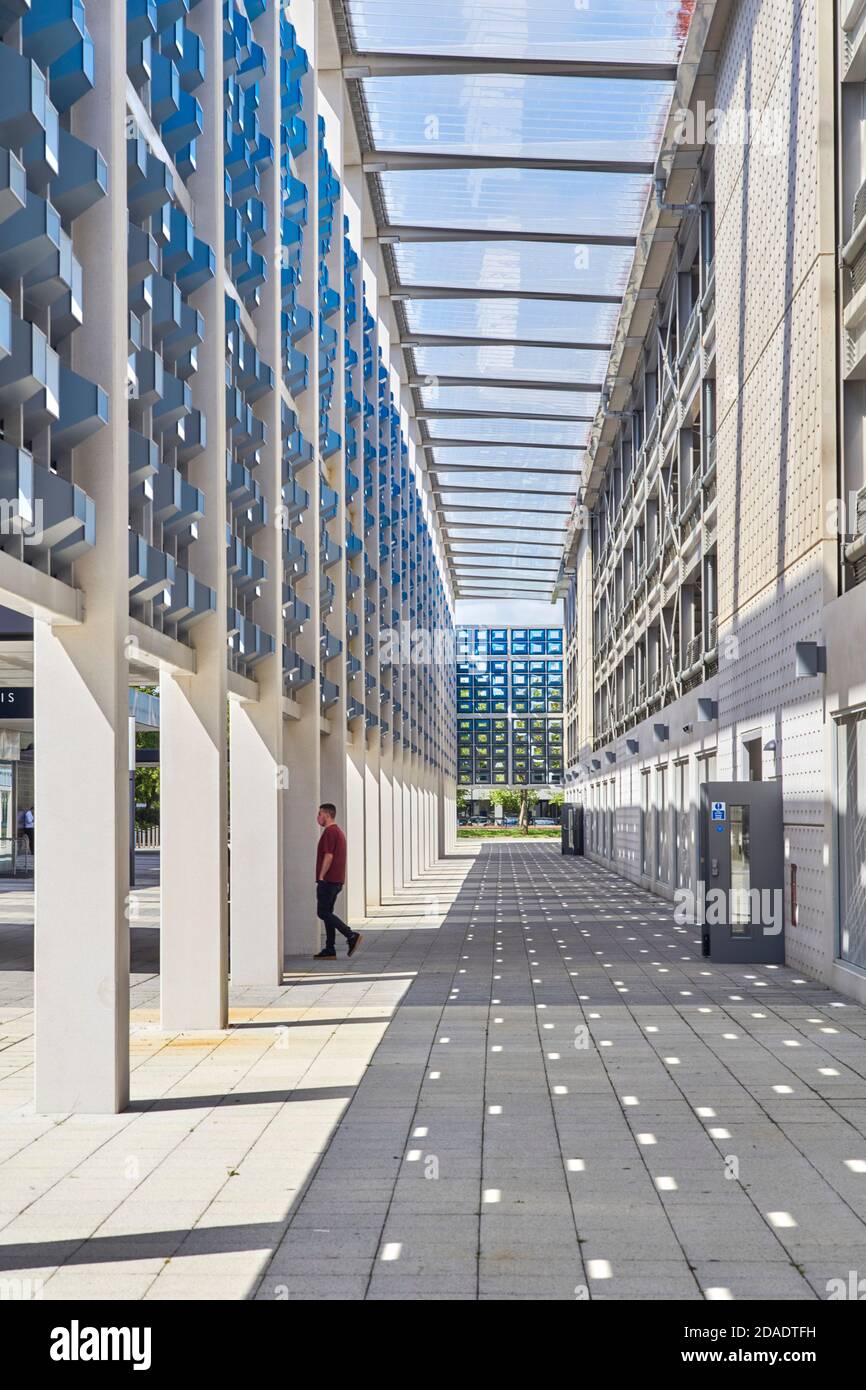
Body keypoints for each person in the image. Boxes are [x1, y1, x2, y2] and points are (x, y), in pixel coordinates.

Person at [313, 803, 362, 960]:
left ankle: (351, 935)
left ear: (327, 815)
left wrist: (321, 876)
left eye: (320, 814)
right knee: (328, 913)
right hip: (336, 880)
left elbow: (329, 856)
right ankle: (330, 948)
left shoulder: (330, 832)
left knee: (323, 912)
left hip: (328, 880)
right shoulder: (338, 832)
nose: (318, 817)